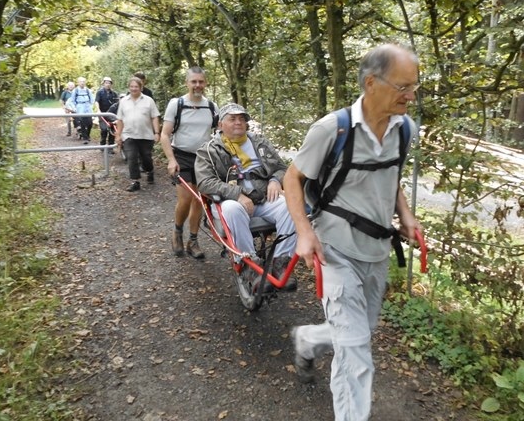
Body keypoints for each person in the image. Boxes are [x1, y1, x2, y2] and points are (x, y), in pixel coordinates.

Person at [282, 43, 422, 420]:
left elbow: (390, 180)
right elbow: (292, 178)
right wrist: (304, 231)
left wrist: (406, 216)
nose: (411, 95)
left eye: (415, 87)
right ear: (372, 82)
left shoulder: (405, 129)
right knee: (356, 348)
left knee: (364, 327)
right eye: (404, 87)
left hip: (376, 251)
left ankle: (308, 338)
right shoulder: (332, 129)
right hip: (335, 249)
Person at [194, 103, 297, 291]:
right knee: (232, 208)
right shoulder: (208, 150)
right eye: (232, 119)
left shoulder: (260, 142)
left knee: (291, 206)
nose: (238, 122)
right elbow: (204, 182)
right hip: (231, 202)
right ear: (220, 125)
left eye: (242, 119)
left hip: (264, 198)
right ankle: (249, 265)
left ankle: (281, 262)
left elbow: (282, 168)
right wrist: (237, 194)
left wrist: (275, 179)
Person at [160, 66, 217, 260]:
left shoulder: (211, 106)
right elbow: (165, 135)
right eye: (194, 81)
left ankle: (193, 240)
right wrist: (171, 160)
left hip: (204, 157)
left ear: (205, 83)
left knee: (199, 200)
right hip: (182, 155)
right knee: (185, 199)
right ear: (187, 83)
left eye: (201, 81)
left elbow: (219, 134)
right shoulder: (177, 104)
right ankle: (177, 232)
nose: (197, 85)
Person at [115, 77, 161, 192]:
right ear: (129, 88)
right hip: (129, 135)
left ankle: (150, 171)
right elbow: (120, 119)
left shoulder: (149, 100)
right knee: (132, 158)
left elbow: (155, 117)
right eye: (131, 86)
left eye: (136, 86)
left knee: (146, 158)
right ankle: (135, 181)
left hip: (146, 135)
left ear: (141, 87)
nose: (133, 89)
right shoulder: (124, 101)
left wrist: (156, 132)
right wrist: (118, 135)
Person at [95, 76, 120, 150]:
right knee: (104, 129)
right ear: (103, 83)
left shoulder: (114, 93)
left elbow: (117, 103)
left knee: (113, 129)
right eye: (106, 83)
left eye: (109, 83)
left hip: (111, 114)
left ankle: (110, 147)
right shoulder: (100, 92)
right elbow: (97, 101)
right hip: (103, 114)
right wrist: (98, 110)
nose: (108, 84)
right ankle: (102, 145)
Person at [68, 77, 95, 143]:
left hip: (87, 107)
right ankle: (85, 138)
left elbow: (92, 99)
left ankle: (87, 135)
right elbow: (72, 100)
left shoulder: (88, 90)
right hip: (80, 107)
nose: (82, 83)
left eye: (83, 81)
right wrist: (74, 108)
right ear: (78, 82)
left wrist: (91, 105)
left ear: (85, 82)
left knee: (90, 123)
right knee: (83, 123)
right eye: (81, 81)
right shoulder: (75, 90)